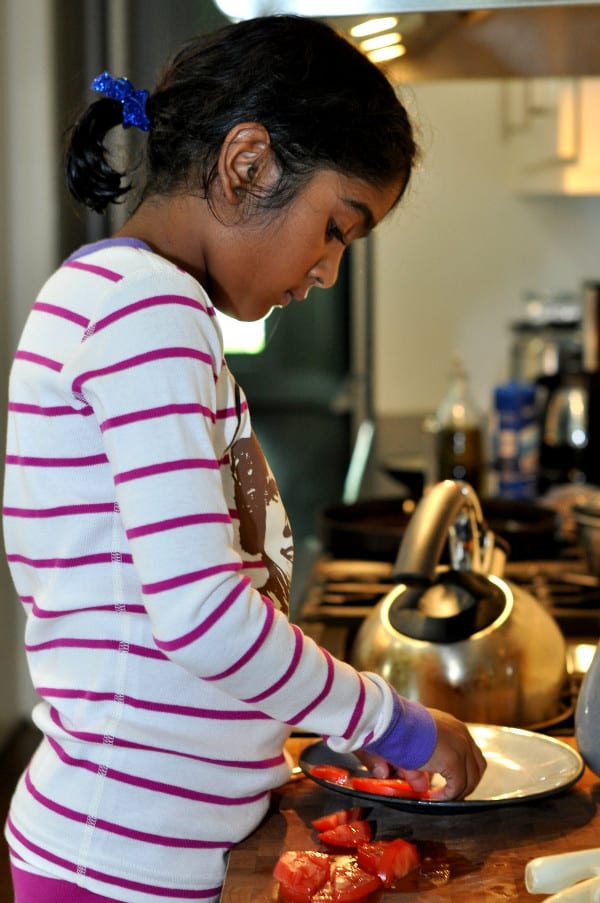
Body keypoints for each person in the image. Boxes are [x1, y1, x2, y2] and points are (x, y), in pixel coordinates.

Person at [2, 14, 486, 903]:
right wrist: (395, 720)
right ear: (247, 163)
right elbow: (201, 614)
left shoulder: (134, 304)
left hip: (145, 851)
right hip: (125, 864)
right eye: (337, 228)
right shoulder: (145, 311)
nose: (329, 270)